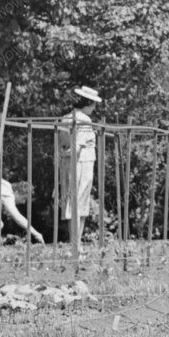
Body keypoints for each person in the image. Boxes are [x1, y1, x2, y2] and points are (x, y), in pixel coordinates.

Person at [55, 86, 101, 244]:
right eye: (94, 105)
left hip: (68, 164)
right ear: (88, 103)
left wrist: (64, 154)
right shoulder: (84, 120)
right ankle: (76, 244)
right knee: (79, 203)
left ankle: (75, 242)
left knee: (72, 202)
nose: (94, 108)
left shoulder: (65, 117)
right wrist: (69, 153)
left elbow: (61, 144)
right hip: (82, 163)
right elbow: (77, 146)